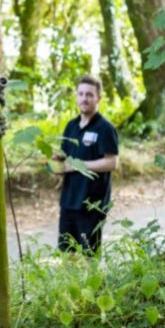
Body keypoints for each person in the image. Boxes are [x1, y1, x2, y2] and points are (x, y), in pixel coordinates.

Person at [55, 75, 119, 254]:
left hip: (92, 204)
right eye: (81, 94)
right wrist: (56, 163)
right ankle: (70, 283)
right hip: (68, 201)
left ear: (98, 98)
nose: (84, 98)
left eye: (89, 95)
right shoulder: (70, 127)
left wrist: (78, 165)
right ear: (76, 96)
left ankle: (91, 283)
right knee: (67, 252)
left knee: (89, 255)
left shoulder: (105, 128)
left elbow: (112, 162)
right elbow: (64, 160)